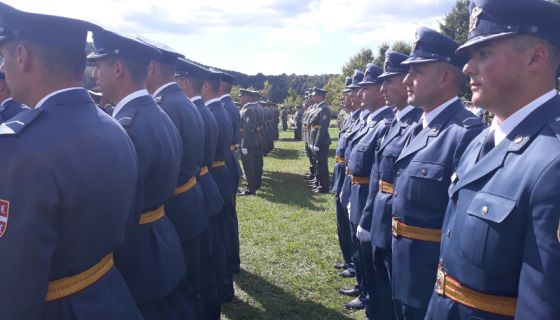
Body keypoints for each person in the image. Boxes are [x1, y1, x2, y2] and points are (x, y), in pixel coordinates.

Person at [0, 4, 142, 319]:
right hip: (110, 298)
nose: (4, 67)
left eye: (4, 56)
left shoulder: (18, 148)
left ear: (22, 56)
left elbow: (12, 285)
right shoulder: (115, 128)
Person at [426, 0, 560, 319]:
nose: (468, 68)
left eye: (483, 54)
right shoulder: (480, 141)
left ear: (535, 58)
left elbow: (543, 307)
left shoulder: (553, 160)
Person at [89, 29, 188, 319]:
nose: (95, 75)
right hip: (160, 239)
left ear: (118, 68)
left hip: (138, 254)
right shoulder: (158, 115)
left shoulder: (127, 127)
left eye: (100, 65)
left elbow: (116, 212)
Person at [391, 27, 485, 320]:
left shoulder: (465, 133)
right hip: (404, 260)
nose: (407, 80)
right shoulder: (420, 125)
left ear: (445, 77)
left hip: (430, 274)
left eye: (417, 71)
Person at [141, 37, 210, 319]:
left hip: (176, 205)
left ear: (153, 68)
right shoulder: (180, 101)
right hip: (190, 197)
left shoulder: (165, 105)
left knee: (181, 292)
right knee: (193, 281)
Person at [362, 50, 423, 320]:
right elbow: (379, 174)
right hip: (383, 220)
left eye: (390, 80)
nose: (383, 87)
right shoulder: (397, 123)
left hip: (408, 236)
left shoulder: (416, 124)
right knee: (382, 291)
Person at [175, 58, 226, 319]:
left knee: (201, 267)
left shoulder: (191, 110)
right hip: (203, 186)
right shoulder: (201, 110)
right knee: (207, 260)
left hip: (195, 189)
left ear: (185, 82)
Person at [345, 63, 395, 315]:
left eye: (366, 88)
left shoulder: (385, 122)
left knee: (371, 259)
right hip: (359, 190)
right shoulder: (370, 121)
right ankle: (365, 289)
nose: (360, 93)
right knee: (362, 254)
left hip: (370, 196)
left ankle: (368, 294)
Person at [332, 76, 357, 273]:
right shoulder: (352, 118)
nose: (346, 98)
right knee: (343, 223)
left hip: (355, 181)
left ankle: (355, 264)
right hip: (343, 175)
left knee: (352, 227)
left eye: (350, 93)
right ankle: (349, 260)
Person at [307, 87, 332, 193]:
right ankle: (318, 182)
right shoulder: (318, 108)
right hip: (314, 138)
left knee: (322, 164)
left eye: (314, 95)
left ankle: (324, 186)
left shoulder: (324, 108)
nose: (312, 96)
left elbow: (322, 127)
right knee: (317, 163)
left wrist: (317, 143)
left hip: (321, 141)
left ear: (320, 96)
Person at [238, 89, 262, 196]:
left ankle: (251, 188)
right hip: (256, 139)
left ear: (248, 97)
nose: (240, 98)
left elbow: (247, 128)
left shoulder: (248, 109)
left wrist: (245, 145)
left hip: (249, 141)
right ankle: (256, 184)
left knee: (249, 165)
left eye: (242, 96)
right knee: (256, 163)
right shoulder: (257, 107)